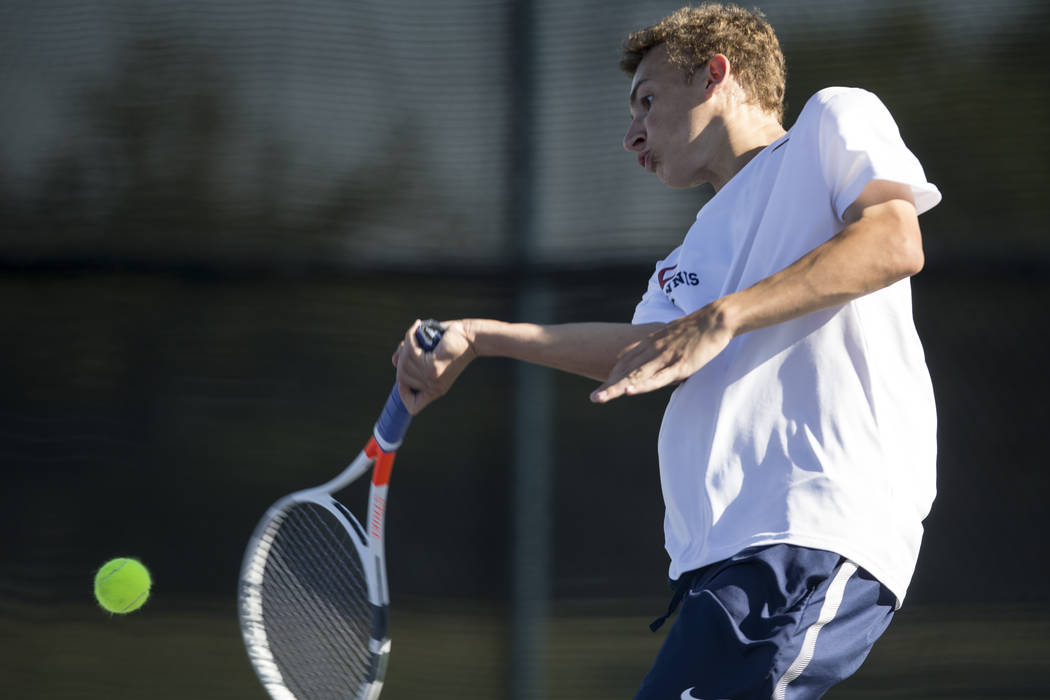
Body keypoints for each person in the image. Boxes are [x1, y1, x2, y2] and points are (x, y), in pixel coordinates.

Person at [393, 4, 941, 698]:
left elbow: (895, 241)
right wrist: (483, 337)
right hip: (724, 560)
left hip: (812, 527)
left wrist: (725, 316)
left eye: (647, 101)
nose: (631, 136)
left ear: (717, 75)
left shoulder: (833, 120)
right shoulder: (684, 259)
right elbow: (645, 349)